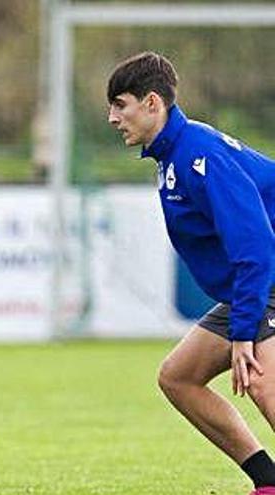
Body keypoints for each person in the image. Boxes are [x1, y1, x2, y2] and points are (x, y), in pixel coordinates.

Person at [107, 51, 275, 495]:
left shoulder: (198, 154)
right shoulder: (173, 155)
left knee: (262, 383)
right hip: (255, 282)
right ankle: (268, 481)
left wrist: (243, 334)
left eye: (120, 104)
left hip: (268, 272)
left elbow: (256, 244)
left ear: (152, 104)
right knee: (179, 377)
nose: (112, 117)